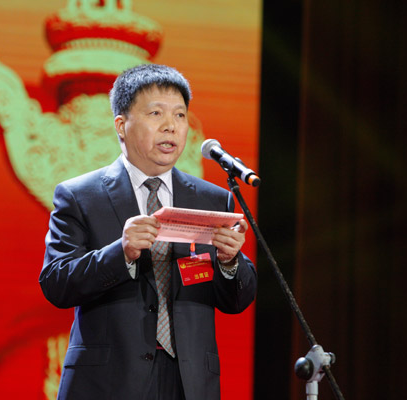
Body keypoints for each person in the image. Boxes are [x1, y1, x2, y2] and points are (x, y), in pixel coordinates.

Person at [40, 64, 257, 400]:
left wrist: (230, 262)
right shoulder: (80, 196)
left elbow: (236, 301)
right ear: (121, 125)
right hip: (108, 383)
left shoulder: (212, 200)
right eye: (156, 113)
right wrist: (121, 253)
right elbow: (56, 283)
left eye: (180, 115)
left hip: (188, 383)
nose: (171, 126)